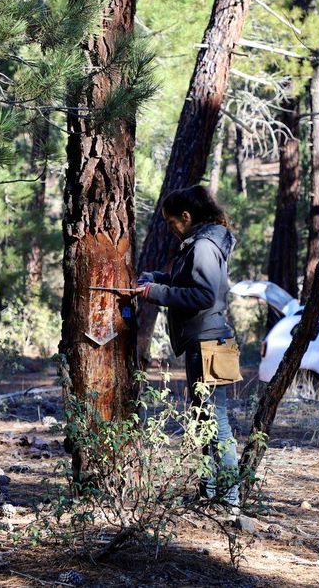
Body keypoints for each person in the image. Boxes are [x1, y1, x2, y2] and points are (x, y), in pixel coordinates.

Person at [131, 184, 242, 508]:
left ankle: (230, 499)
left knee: (215, 421)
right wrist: (158, 279)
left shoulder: (204, 245)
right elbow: (188, 283)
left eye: (170, 222)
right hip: (204, 341)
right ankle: (208, 492)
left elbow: (203, 295)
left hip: (210, 342)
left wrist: (155, 293)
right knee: (203, 418)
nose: (169, 229)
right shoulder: (200, 243)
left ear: (186, 216)